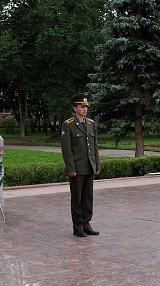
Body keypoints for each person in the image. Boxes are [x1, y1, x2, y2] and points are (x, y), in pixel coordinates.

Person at [61, 92, 101, 237]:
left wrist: (96, 165)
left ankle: (86, 223)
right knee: (77, 199)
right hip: (77, 168)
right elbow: (67, 149)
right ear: (75, 108)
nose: (84, 109)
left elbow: (94, 146)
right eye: (81, 106)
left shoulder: (90, 124)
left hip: (89, 166)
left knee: (88, 198)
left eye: (86, 106)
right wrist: (70, 168)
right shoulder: (68, 125)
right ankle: (77, 226)